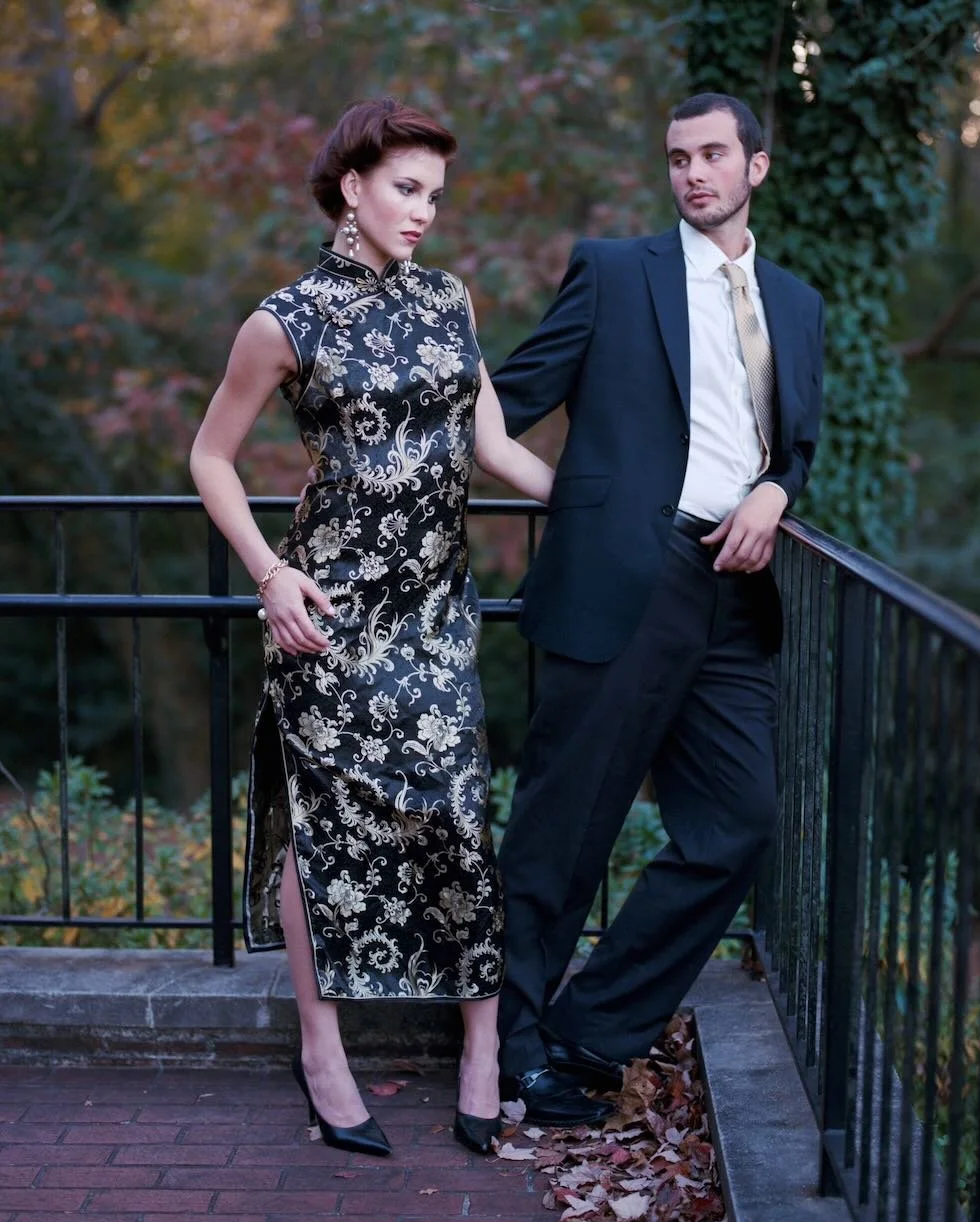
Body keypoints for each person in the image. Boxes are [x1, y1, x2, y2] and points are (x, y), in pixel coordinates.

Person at [189, 98, 553, 1157]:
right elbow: (210, 455)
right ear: (351, 187)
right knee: (325, 832)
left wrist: (592, 502)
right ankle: (323, 1054)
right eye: (406, 187)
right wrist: (268, 575)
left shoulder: (449, 300)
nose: (424, 211)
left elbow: (492, 443)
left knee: (455, 817)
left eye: (435, 194)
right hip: (330, 610)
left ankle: (481, 1050)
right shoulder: (286, 318)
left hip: (436, 609)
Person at [490, 93, 825, 1124]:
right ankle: (508, 1053)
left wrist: (774, 491)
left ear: (754, 167)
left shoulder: (797, 303)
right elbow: (502, 404)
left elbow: (793, 445)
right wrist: (586, 499)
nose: (692, 173)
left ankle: (592, 1031)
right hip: (623, 578)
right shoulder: (615, 270)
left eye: (712, 154)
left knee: (737, 821)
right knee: (564, 825)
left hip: (734, 589)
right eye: (677, 157)